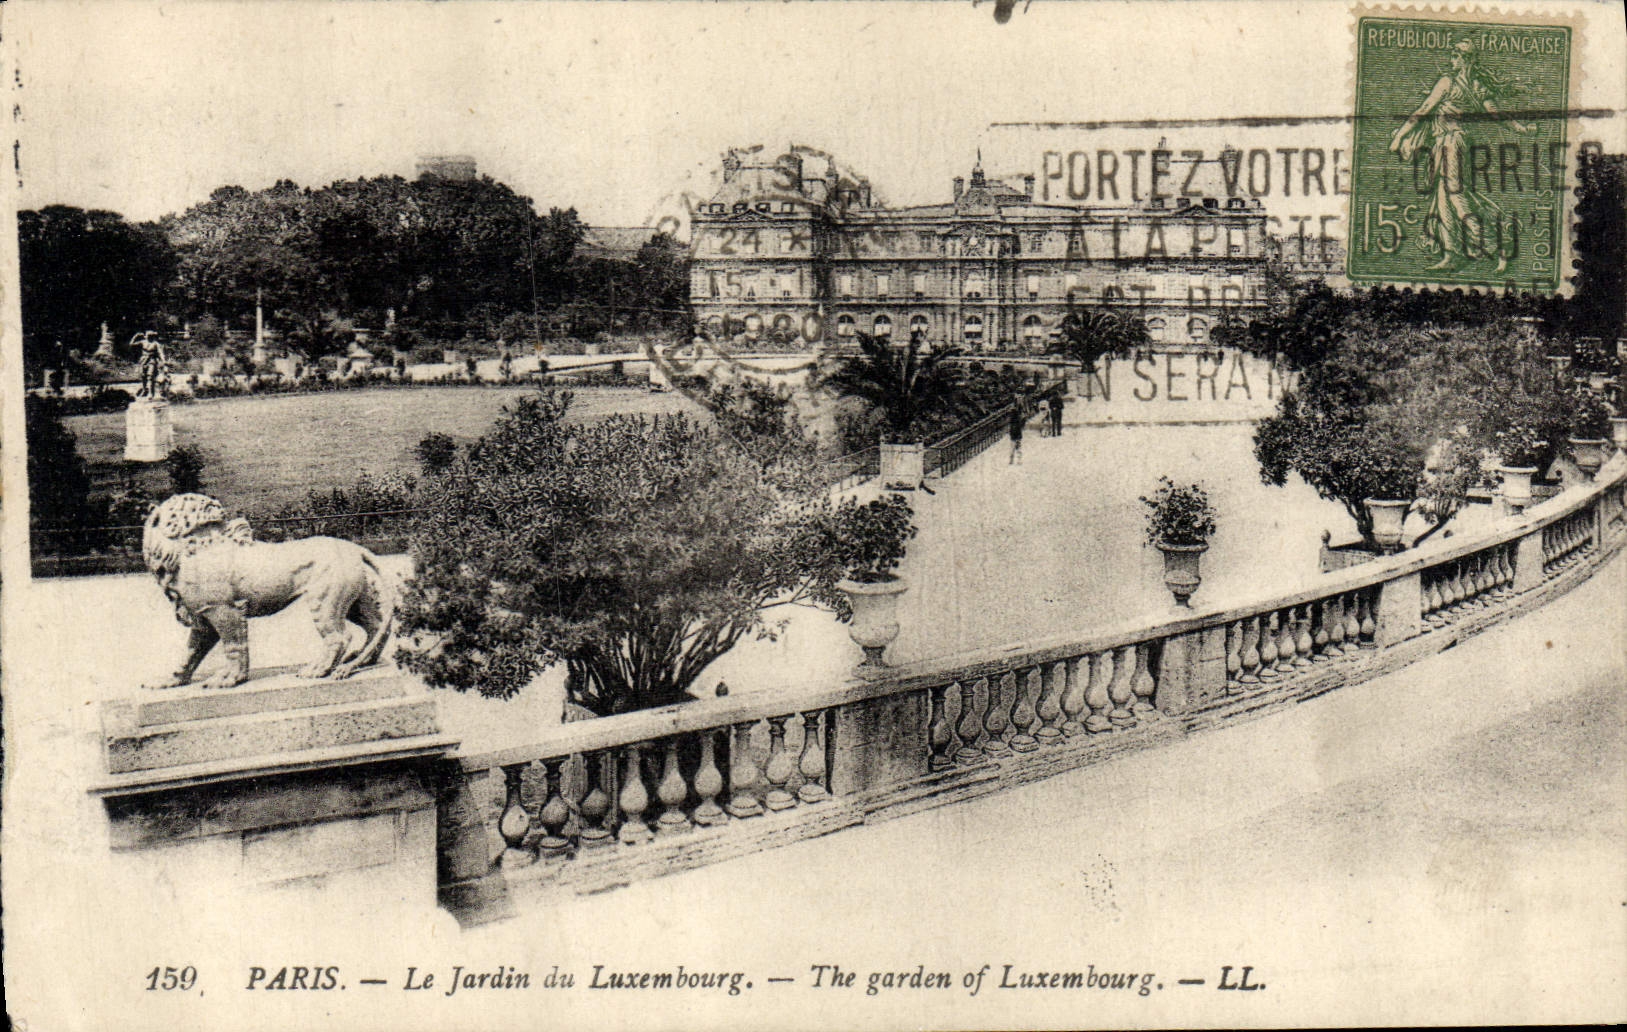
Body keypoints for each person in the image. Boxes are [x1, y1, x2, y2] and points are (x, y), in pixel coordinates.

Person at [1389, 39, 1532, 272]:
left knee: (1456, 196)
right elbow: (1497, 114)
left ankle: (1498, 246)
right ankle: (1451, 253)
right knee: (1443, 199)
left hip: (1453, 142)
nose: (1451, 60)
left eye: (1455, 56)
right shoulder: (1477, 86)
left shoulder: (1448, 82)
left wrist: (1398, 137)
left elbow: (1424, 110)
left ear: (1466, 60)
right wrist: (1521, 128)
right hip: (1446, 143)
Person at [1008, 397, 1027, 465]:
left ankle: (1012, 460)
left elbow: (1010, 422)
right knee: (1018, 447)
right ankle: (1019, 460)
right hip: (1017, 432)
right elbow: (1023, 421)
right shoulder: (1019, 416)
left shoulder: (1012, 415)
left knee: (1012, 447)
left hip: (1013, 432)